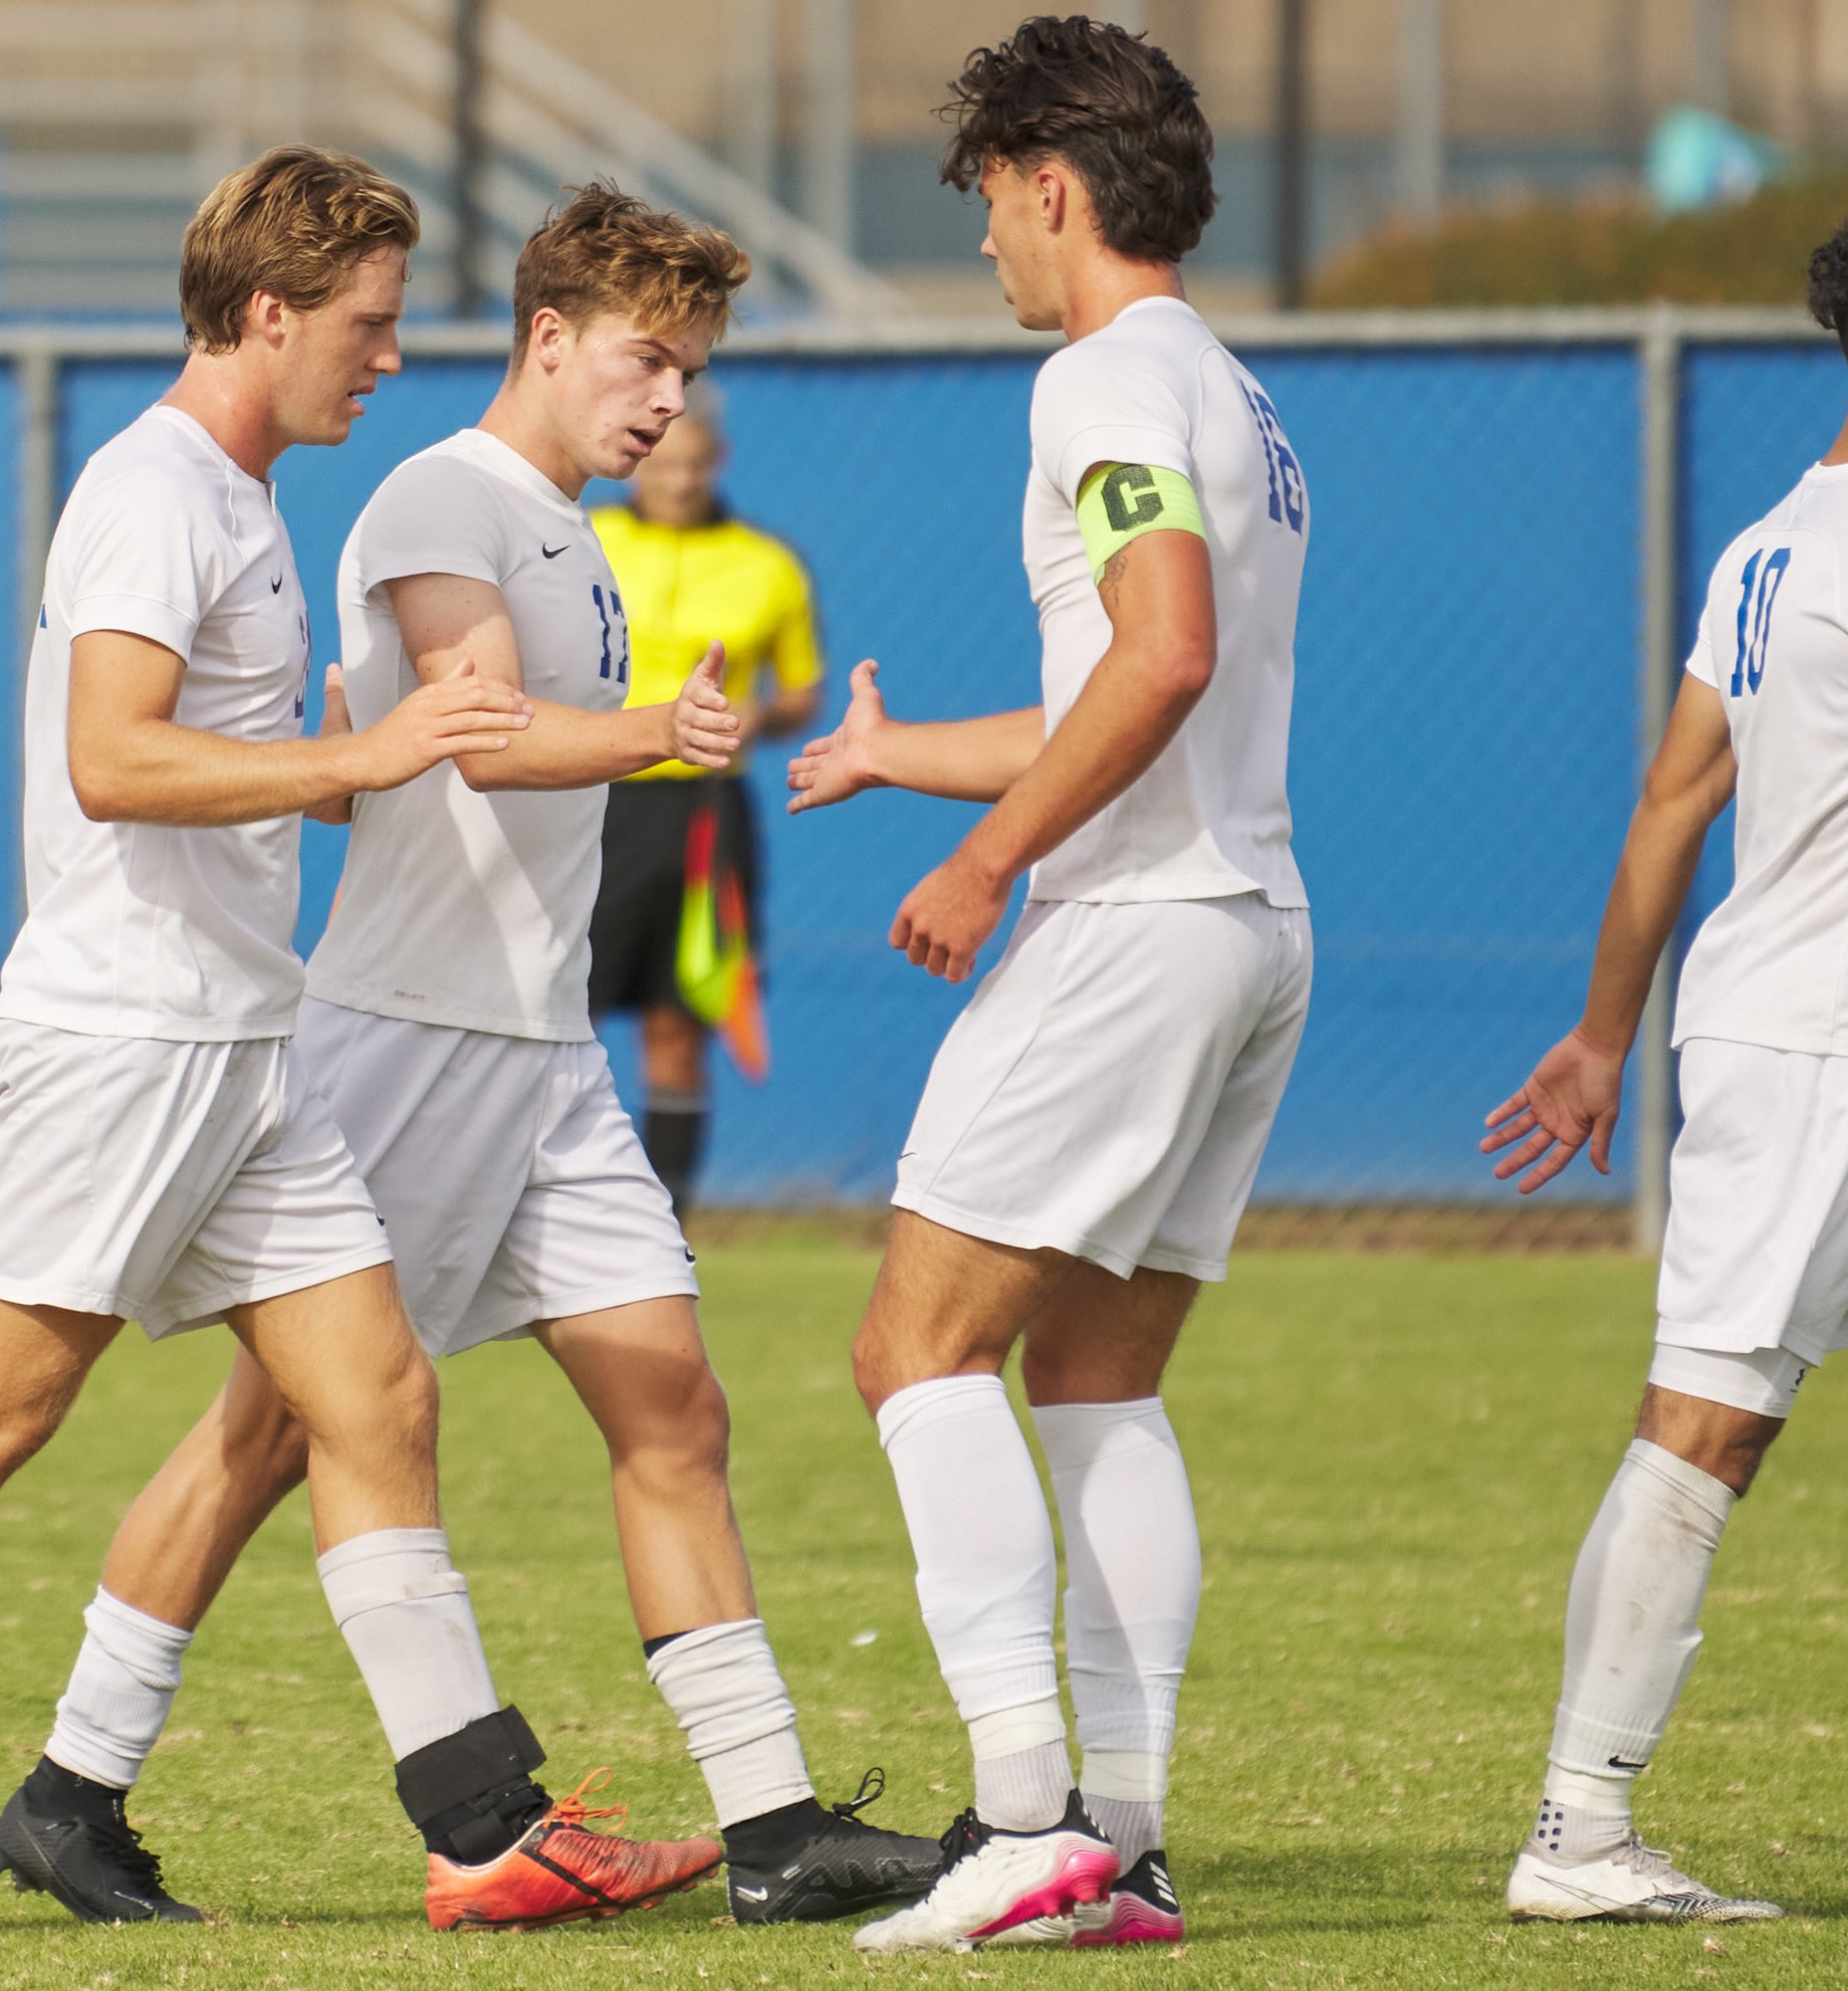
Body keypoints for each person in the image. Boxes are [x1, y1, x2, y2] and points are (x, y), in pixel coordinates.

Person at [0, 146, 717, 1938]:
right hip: (127, 1040)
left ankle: (483, 1828)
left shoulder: (239, 499)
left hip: (244, 1047)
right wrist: (355, 763)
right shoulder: (158, 488)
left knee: (380, 1398)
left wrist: (349, 767)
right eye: (366, 324)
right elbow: (113, 758)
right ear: (267, 313)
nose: (388, 357)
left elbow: (229, 762)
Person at [0, 183, 945, 1933]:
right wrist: (664, 728)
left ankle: (775, 1826)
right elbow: (483, 738)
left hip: (540, 1054)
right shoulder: (445, 495)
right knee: (274, 1439)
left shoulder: (569, 526)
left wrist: (661, 729)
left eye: (692, 369)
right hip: (413, 1043)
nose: (668, 399)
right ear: (551, 338)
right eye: (648, 358)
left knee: (675, 1403)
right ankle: (72, 1787)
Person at [788, 20, 1310, 1952]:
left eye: (990, 206)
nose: (987, 247)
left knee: (909, 1352)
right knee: (1093, 1384)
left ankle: (1018, 1824)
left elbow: (1151, 656)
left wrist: (983, 854)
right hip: (1253, 920)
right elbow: (1135, 677)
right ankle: (1122, 1837)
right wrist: (903, 752)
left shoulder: (1094, 381)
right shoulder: (1228, 390)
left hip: (1132, 923)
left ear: (1051, 185)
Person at [1474, 228, 1848, 1936]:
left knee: (1711, 1419)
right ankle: (1577, 1826)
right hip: (1814, 1044)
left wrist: (1606, 1033)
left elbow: (1673, 793)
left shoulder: (1774, 545)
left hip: (1762, 1027)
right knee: (1704, 1428)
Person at [587, 385, 824, 1215]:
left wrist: (764, 713)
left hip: (702, 816)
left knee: (678, 1024)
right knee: (557, 1016)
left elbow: (803, 691)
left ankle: (663, 1228)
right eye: (664, 463)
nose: (678, 481)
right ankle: (532, 1210)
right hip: (588, 800)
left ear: (716, 461)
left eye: (694, 464)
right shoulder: (584, 540)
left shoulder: (769, 565)